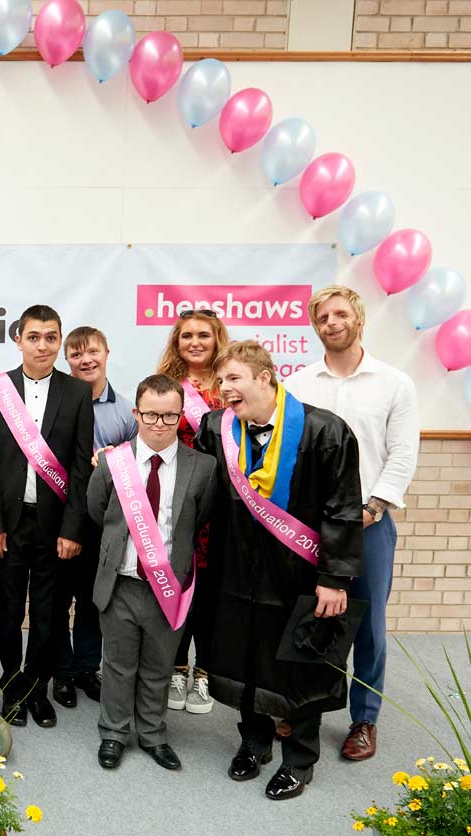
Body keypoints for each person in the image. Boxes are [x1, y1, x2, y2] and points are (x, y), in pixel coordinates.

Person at [195, 340, 362, 801]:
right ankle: (254, 742)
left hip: (299, 574)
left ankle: (299, 760)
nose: (223, 388)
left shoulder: (324, 431)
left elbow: (342, 508)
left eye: (233, 378)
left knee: (299, 663)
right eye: (220, 379)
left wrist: (334, 578)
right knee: (242, 655)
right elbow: (199, 490)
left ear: (265, 377)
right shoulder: (217, 427)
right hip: (236, 569)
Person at [285, 286, 419, 761]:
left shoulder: (394, 383)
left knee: (369, 627)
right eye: (323, 316)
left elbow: (402, 454)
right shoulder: (299, 385)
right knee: (313, 618)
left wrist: (373, 507)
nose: (332, 322)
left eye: (341, 314)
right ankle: (305, 708)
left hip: (370, 523)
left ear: (358, 319)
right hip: (314, 527)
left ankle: (364, 719)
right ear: (315, 325)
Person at [87, 375, 216, 771]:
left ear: (180, 416)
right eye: (151, 415)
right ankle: (113, 732)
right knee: (118, 664)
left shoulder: (204, 467)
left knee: (159, 666)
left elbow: (201, 519)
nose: (159, 424)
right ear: (135, 413)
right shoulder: (113, 462)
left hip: (168, 587)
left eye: (169, 416)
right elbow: (97, 510)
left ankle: (153, 734)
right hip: (120, 582)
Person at [0, 304, 95, 729]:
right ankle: (11, 687)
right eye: (34, 337)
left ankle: (36, 690)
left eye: (50, 337)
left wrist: (73, 527)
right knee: (8, 613)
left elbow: (82, 467)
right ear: (19, 339)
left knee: (48, 614)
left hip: (55, 526)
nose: (42, 345)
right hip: (8, 525)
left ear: (59, 341)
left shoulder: (78, 393)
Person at [52, 326, 137, 709]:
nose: (85, 360)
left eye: (92, 352)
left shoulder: (126, 410)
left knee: (92, 598)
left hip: (103, 521)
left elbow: (140, 463)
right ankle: (62, 671)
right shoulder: (53, 401)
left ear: (107, 353)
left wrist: (115, 459)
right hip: (59, 516)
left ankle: (88, 667)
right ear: (66, 359)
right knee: (56, 597)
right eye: (76, 354)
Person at [156, 309, 231, 716]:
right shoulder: (169, 387)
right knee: (179, 581)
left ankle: (202, 672)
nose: (195, 342)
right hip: (179, 501)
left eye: (204, 334)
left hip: (225, 505)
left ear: (217, 338)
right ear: (177, 342)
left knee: (213, 591)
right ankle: (174, 667)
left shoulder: (230, 385)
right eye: (187, 336)